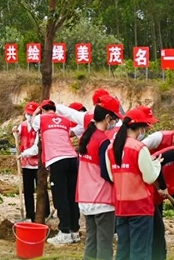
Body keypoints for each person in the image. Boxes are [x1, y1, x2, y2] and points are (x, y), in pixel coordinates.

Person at [106, 106, 162, 260]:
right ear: (140, 128)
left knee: (123, 250)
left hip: (121, 206)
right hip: (140, 207)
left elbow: (112, 177)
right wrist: (156, 164)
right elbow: (149, 177)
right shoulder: (139, 148)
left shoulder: (111, 148)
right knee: (140, 252)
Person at [76, 94, 121, 260]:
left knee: (91, 241)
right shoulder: (103, 141)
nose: (115, 123)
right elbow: (105, 171)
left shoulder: (86, 137)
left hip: (86, 198)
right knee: (104, 243)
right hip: (102, 199)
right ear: (108, 118)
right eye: (114, 119)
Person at [31, 99, 80, 245]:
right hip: (72, 158)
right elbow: (71, 133)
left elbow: (33, 125)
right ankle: (74, 231)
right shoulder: (65, 121)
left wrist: (35, 113)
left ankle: (64, 232)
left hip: (57, 160)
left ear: (43, 110)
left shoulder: (40, 119)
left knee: (61, 197)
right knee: (72, 196)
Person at [13, 101, 49, 222]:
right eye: (27, 113)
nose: (29, 116)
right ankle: (29, 213)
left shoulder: (40, 127)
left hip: (38, 164)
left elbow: (36, 147)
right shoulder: (22, 125)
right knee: (28, 189)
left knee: (41, 188)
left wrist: (24, 153)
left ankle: (45, 211)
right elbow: (17, 137)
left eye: (31, 114)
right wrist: (15, 133)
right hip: (26, 164)